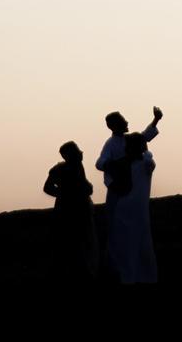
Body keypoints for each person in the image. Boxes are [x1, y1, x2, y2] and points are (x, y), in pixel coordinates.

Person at [96, 107, 162, 279]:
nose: (126, 122)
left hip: (132, 192)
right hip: (119, 191)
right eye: (123, 120)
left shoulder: (133, 144)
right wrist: (118, 166)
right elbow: (101, 162)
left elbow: (144, 136)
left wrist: (156, 120)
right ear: (114, 125)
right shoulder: (111, 144)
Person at [104, 133, 159, 284]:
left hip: (130, 211)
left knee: (130, 246)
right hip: (131, 211)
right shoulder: (142, 163)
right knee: (132, 246)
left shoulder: (143, 163)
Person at [43, 141, 100, 281]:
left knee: (82, 243)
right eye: (77, 151)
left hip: (79, 209)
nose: (81, 153)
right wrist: (65, 194)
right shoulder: (60, 169)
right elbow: (48, 187)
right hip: (70, 211)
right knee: (74, 244)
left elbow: (85, 186)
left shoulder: (77, 167)